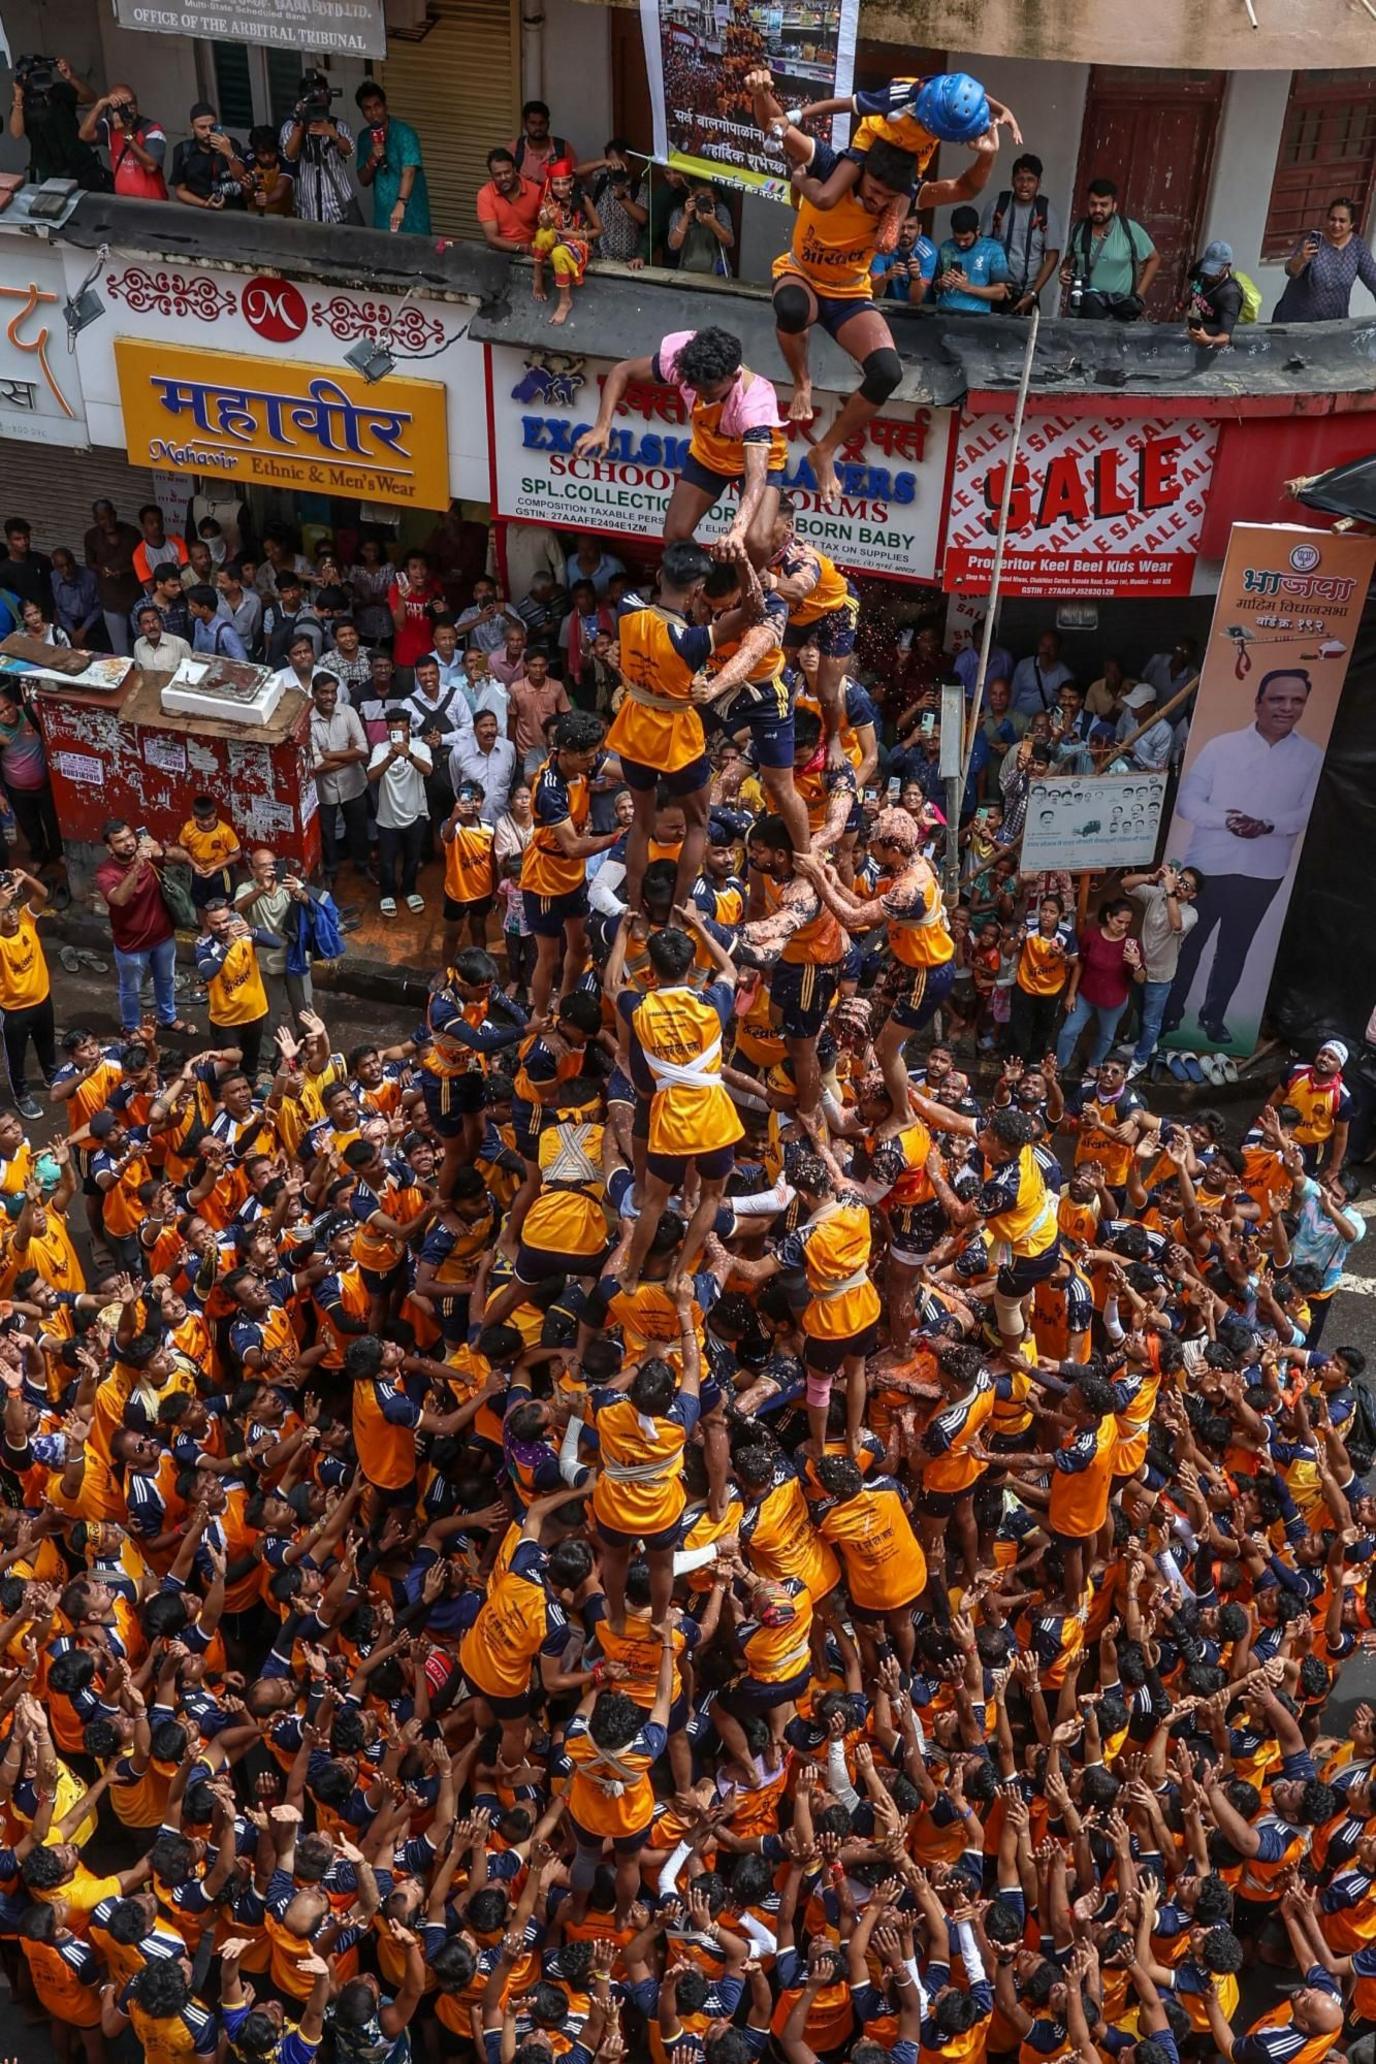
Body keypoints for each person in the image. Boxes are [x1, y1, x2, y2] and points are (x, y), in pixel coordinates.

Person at [747, 64, 1000, 502]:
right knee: (790, 309)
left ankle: (825, 450)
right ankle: (802, 382)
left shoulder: (904, 196)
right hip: (802, 277)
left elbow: (965, 188)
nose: (876, 202)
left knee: (888, 371)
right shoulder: (832, 164)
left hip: (849, 293)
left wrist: (988, 153)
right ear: (861, 169)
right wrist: (761, 91)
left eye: (886, 199)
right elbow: (778, 129)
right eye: (873, 191)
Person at [1167, 668, 1324, 1047]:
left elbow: (1311, 810)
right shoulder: (1222, 747)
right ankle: (1171, 1014)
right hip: (1208, 865)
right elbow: (1188, 802)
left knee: (1235, 950)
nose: (1286, 707)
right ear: (1257, 703)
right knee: (1188, 942)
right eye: (1276, 698)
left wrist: (1268, 825)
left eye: (1296, 700)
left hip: (1263, 871)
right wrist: (1227, 821)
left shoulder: (1312, 756)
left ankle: (1213, 1017)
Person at [578, 326, 785, 568]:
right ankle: (708, 584)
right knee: (675, 534)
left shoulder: (755, 403)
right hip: (710, 454)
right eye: (696, 389)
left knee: (756, 540)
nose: (703, 398)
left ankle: (751, 593)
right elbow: (621, 371)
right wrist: (603, 426)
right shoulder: (685, 358)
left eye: (710, 392)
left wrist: (737, 531)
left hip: (759, 462)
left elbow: (756, 477)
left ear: (734, 377)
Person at [94, 819, 196, 1037]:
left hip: (163, 936)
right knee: (131, 989)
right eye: (120, 841)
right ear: (110, 848)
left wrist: (161, 850)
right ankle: (131, 1027)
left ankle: (168, 1018)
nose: (129, 843)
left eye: (130, 837)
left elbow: (182, 858)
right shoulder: (106, 873)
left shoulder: (149, 857)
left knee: (166, 979)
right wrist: (137, 867)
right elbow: (119, 899)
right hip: (131, 945)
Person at [1121, 862, 1201, 1078]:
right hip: (1138, 965)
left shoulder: (1191, 912)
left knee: (1151, 1020)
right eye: (1180, 879)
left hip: (1161, 974)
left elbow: (1176, 924)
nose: (1181, 885)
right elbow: (1125, 885)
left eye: (1187, 885)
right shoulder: (1157, 894)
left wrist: (1170, 891)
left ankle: (1140, 1060)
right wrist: (1151, 876)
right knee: (1138, 1009)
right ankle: (1145, 1046)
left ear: (1192, 895)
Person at [194, 897, 275, 1080]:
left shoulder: (245, 935)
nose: (222, 926)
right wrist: (227, 945)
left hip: (254, 1012)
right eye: (216, 923)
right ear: (207, 922)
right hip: (226, 1020)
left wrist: (253, 931)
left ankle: (251, 1085)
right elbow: (208, 973)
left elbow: (277, 942)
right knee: (226, 1066)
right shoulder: (204, 947)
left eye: (225, 920)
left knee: (250, 1061)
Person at [1061, 176, 1159, 319]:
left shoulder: (1130, 229)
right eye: (1093, 204)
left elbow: (1154, 259)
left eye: (1103, 205)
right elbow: (1068, 260)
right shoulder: (1078, 230)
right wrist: (1063, 272)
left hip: (1119, 313)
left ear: (1114, 206)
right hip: (1084, 312)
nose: (1098, 209)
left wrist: (1139, 295)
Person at [367, 707, 433, 917]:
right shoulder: (380, 749)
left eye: (403, 730)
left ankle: (409, 890)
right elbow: (371, 776)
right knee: (387, 861)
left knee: (413, 858)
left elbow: (428, 770)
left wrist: (409, 755)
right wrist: (390, 758)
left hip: (415, 814)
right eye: (394, 731)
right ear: (388, 730)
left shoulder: (420, 748)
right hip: (388, 818)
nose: (399, 734)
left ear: (409, 730)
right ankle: (387, 893)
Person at [0, 867, 54, 1117]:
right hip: (14, 1010)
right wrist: (1, 902)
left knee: (46, 1043)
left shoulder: (25, 919)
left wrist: (26, 878)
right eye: (5, 912)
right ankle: (21, 1095)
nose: (11, 914)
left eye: (11, 909)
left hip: (42, 998)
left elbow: (43, 894)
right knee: (16, 1055)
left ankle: (51, 1076)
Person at [1275, 195, 1376, 321]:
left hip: (1332, 324)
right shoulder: (1312, 240)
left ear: (1351, 224)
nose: (1336, 225)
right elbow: (1290, 270)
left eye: (1342, 221)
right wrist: (1301, 258)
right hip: (1297, 320)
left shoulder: (1358, 248)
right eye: (1332, 219)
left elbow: (1373, 279)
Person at [7, 52, 102, 188]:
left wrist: (71, 77)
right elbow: (16, 133)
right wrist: (18, 97)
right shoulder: (24, 103)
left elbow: (90, 98)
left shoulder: (59, 91)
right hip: (48, 170)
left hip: (80, 163)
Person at [311, 675, 371, 885]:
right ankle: (330, 870)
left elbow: (363, 749)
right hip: (325, 790)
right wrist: (349, 754)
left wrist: (329, 755)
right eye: (324, 692)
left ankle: (362, 864)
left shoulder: (348, 712)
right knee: (327, 833)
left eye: (332, 692)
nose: (329, 697)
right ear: (314, 694)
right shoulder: (307, 720)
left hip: (353, 783)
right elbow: (317, 766)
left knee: (358, 827)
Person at [985, 151, 1062, 312]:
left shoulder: (1046, 212)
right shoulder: (998, 206)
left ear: (1039, 182)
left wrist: (1033, 294)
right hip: (997, 291)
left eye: (1030, 180)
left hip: (1028, 294)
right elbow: (982, 246)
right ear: (1012, 181)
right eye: (1020, 179)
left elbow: (1052, 258)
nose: (1024, 185)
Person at [280, 68, 357, 224]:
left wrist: (333, 134)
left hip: (338, 210)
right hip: (308, 211)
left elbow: (349, 151)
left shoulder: (338, 125)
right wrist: (300, 126)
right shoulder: (291, 127)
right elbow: (290, 155)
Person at [0, 685, 62, 875]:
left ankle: (58, 853)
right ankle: (38, 856)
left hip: (46, 784)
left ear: (14, 703)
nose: (6, 714)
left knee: (53, 822)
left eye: (8, 707)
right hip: (17, 789)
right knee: (30, 825)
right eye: (0, 712)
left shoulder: (31, 713)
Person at [354, 81, 429, 233]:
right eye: (367, 109)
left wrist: (401, 203)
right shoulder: (364, 138)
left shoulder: (405, 133)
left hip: (412, 214)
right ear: (362, 113)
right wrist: (372, 159)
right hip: (384, 217)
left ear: (385, 106)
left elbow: (409, 171)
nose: (374, 113)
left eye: (377, 106)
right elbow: (363, 180)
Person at [78, 80, 167, 196]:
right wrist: (100, 105)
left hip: (151, 203)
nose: (130, 109)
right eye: (124, 106)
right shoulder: (110, 128)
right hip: (124, 203)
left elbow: (151, 166)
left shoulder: (151, 129)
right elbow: (84, 135)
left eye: (132, 103)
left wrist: (126, 134)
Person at [84, 500, 143, 656]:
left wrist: (122, 571)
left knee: (144, 643)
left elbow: (142, 562)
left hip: (135, 597)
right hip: (111, 599)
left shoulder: (132, 533)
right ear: (96, 520)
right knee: (120, 650)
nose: (108, 522)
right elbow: (90, 563)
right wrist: (101, 569)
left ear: (115, 515)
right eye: (102, 519)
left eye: (110, 517)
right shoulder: (91, 537)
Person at [169, 101, 247, 208]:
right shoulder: (183, 150)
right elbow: (180, 191)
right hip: (201, 212)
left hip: (234, 208)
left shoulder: (231, 144)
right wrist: (205, 204)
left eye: (212, 126)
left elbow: (241, 178)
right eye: (202, 127)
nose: (208, 132)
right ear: (192, 128)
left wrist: (229, 154)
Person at [934, 205, 1009, 312]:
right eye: (957, 238)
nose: (961, 243)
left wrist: (968, 287)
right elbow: (935, 286)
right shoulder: (945, 247)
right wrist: (941, 284)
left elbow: (1000, 293)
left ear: (977, 230)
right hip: (944, 314)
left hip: (976, 318)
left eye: (966, 239)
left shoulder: (993, 250)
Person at [476, 145, 543, 253]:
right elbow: (492, 238)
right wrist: (522, 248)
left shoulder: (536, 191)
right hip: (500, 253)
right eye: (498, 174)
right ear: (491, 175)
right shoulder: (485, 194)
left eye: (507, 172)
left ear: (515, 170)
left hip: (533, 254)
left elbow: (547, 228)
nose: (503, 178)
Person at [667, 180, 735, 275]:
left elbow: (729, 242)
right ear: (691, 195)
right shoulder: (680, 213)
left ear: (715, 198)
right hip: (687, 271)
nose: (703, 201)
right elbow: (673, 245)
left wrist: (713, 223)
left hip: (716, 273)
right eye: (699, 197)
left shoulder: (720, 211)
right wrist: (686, 216)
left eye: (708, 198)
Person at [1186, 239, 1245, 346]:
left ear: (1228, 266)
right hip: (1196, 323)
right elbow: (1193, 284)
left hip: (1211, 333)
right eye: (1208, 268)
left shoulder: (1230, 294)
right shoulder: (1200, 267)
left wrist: (1208, 340)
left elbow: (1225, 338)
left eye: (1216, 269)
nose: (1210, 275)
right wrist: (1180, 305)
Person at [870, 213, 938, 303]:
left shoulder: (928, 252)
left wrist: (916, 277)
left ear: (919, 230)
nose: (905, 232)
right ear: (894, 228)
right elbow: (873, 292)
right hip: (890, 304)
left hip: (921, 309)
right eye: (901, 227)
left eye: (911, 227)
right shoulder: (883, 248)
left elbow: (916, 300)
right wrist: (886, 276)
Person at [1010, 628, 1073, 718]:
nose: (1046, 650)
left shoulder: (1065, 676)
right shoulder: (1023, 666)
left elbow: (1063, 709)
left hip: (1045, 726)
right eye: (1043, 645)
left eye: (1051, 647)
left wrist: (1054, 729)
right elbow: (1012, 697)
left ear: (1058, 650)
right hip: (1019, 721)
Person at [508, 97, 573, 183]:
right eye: (533, 123)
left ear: (548, 124)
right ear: (524, 125)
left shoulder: (562, 147)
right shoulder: (514, 149)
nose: (538, 128)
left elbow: (574, 175)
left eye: (542, 123)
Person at [49, 549, 101, 649]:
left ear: (74, 561)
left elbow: (98, 606)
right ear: (55, 567)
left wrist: (83, 630)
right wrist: (73, 633)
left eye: (69, 564)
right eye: (61, 567)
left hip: (90, 623)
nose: (67, 569)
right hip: (68, 623)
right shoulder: (53, 577)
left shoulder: (90, 576)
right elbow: (59, 609)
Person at [186, 585, 248, 661]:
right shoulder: (198, 623)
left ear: (205, 609)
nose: (190, 608)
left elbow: (242, 661)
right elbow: (196, 651)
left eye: (193, 606)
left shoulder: (226, 632)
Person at [244, 123, 293, 213]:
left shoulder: (284, 159)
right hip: (255, 217)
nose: (267, 158)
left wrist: (267, 199)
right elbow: (246, 196)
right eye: (262, 153)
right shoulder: (248, 159)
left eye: (271, 152)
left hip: (283, 217)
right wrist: (249, 188)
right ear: (254, 152)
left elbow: (282, 188)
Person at [131, 602, 191, 675]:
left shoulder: (181, 644)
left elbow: (190, 676)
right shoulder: (138, 645)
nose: (152, 626)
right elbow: (139, 674)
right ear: (140, 628)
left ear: (161, 623)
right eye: (146, 622)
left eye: (155, 620)